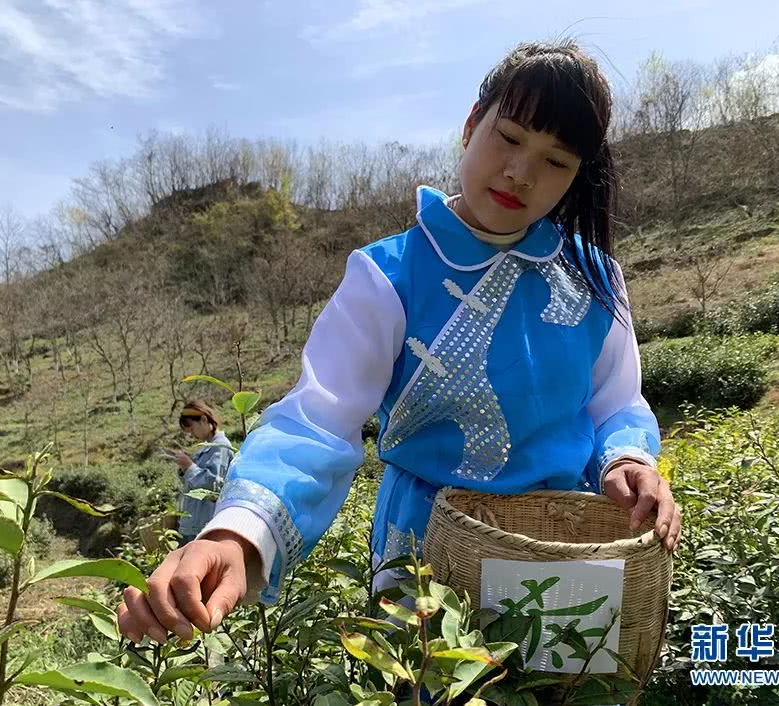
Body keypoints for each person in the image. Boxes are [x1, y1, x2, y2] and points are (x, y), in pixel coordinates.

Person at [117, 39, 683, 649]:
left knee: (563, 683)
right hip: (426, 557)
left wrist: (627, 461)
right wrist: (235, 534)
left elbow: (616, 402)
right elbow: (319, 420)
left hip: (564, 545)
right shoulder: (388, 275)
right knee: (434, 684)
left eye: (556, 161)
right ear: (472, 124)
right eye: (510, 137)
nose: (521, 173)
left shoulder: (593, 278)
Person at [173, 400, 235, 544]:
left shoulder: (221, 446)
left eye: (192, 428)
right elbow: (194, 483)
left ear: (204, 419)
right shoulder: (207, 447)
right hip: (193, 523)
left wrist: (189, 466)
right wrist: (185, 468)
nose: (191, 434)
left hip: (203, 525)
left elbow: (214, 484)